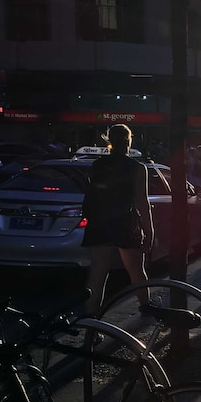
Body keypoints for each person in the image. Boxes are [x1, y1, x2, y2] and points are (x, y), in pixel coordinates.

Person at [81, 124, 155, 315]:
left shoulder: (97, 166)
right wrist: (149, 230)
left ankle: (91, 322)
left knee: (97, 275)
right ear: (129, 141)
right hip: (125, 223)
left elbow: (92, 195)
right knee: (136, 271)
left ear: (109, 141)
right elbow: (142, 202)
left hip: (100, 223)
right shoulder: (137, 168)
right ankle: (146, 307)